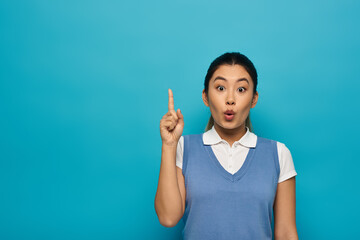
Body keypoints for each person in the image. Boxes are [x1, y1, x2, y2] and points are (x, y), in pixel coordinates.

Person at [155, 52, 299, 240]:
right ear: (206, 97)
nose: (230, 99)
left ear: (254, 99)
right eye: (221, 88)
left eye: (241, 89)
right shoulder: (184, 148)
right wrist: (168, 145)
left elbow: (287, 233)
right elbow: (168, 218)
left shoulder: (278, 154)